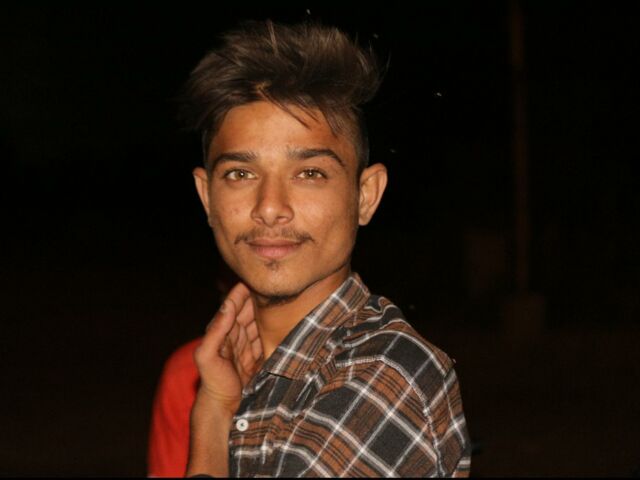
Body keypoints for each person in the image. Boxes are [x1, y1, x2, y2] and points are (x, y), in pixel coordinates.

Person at [171, 20, 470, 477]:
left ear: (365, 195)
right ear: (206, 196)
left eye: (310, 173)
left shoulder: (384, 373)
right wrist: (215, 407)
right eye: (240, 174)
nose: (270, 207)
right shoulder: (242, 376)